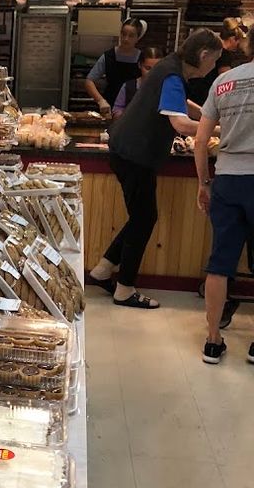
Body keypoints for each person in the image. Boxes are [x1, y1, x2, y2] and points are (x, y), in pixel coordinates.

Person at [88, 28, 222, 309]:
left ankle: (102, 271)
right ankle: (124, 289)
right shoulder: (173, 74)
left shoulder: (169, 67)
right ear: (204, 55)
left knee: (141, 217)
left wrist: (210, 113)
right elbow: (181, 124)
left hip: (127, 151)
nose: (212, 68)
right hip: (136, 155)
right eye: (214, 61)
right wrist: (219, 127)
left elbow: (180, 105)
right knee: (144, 219)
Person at [195, 56, 254, 363]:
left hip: (229, 180)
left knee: (219, 264)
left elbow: (201, 140)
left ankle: (213, 340)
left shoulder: (225, 81)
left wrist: (204, 183)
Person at [85, 18, 148, 116]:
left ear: (138, 38)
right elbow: (89, 81)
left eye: (131, 36)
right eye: (123, 34)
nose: (126, 39)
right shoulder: (108, 56)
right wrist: (100, 100)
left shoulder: (142, 59)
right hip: (109, 108)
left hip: (133, 110)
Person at [187, 16, 248, 106]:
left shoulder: (210, 48)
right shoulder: (224, 54)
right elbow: (226, 81)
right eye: (239, 41)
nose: (238, 46)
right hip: (204, 97)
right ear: (232, 39)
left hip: (192, 92)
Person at [111, 46, 164, 117]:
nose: (152, 72)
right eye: (148, 68)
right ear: (139, 65)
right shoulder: (128, 86)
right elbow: (117, 109)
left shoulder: (166, 87)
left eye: (156, 68)